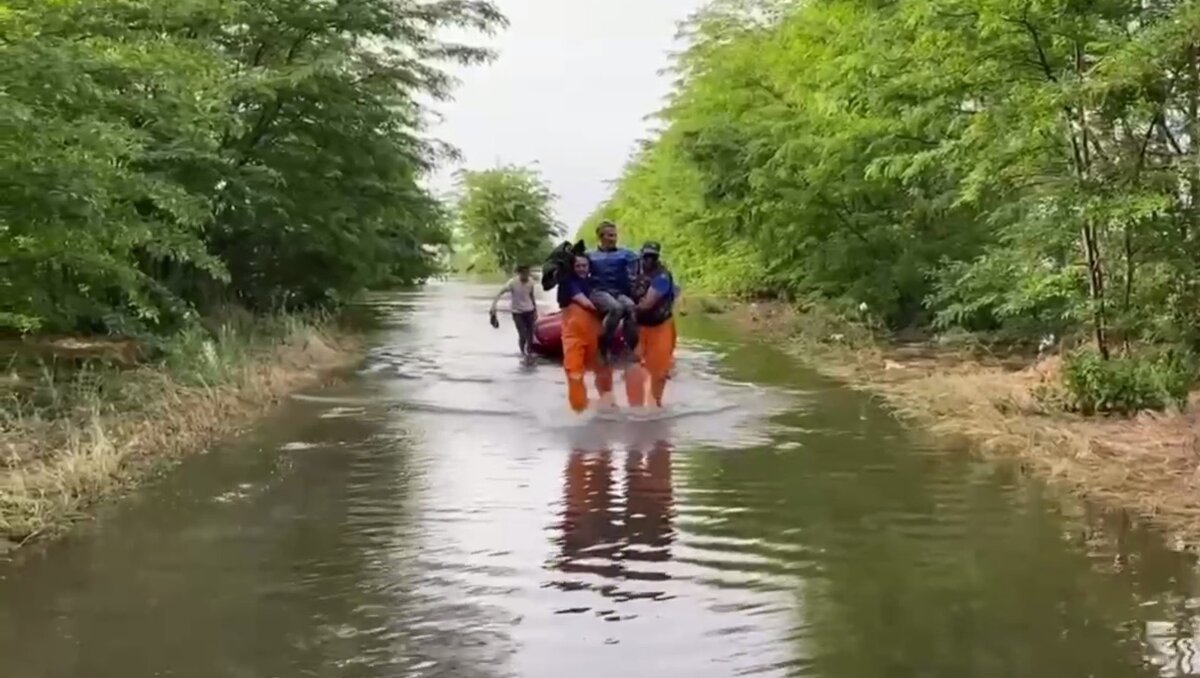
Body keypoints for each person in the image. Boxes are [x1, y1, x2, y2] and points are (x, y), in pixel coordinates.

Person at [558, 254, 642, 413]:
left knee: (603, 369)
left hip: (595, 334)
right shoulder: (569, 283)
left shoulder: (593, 284)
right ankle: (578, 409)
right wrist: (615, 309)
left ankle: (608, 405)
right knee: (574, 372)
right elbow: (586, 303)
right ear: (572, 267)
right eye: (578, 266)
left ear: (590, 267)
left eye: (584, 266)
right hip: (574, 336)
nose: (582, 269)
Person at [630, 242, 678, 408]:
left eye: (653, 256)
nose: (649, 260)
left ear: (657, 257)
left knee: (659, 370)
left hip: (660, 326)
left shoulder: (662, 277)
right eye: (646, 256)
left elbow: (647, 304)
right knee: (634, 365)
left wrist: (626, 307)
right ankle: (635, 405)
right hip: (639, 325)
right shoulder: (633, 272)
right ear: (641, 256)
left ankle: (655, 404)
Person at [586, 221, 640, 364]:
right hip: (599, 292)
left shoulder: (626, 254)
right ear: (600, 237)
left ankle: (630, 348)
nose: (613, 238)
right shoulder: (590, 256)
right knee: (616, 308)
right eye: (610, 235)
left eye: (615, 235)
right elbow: (578, 273)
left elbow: (642, 267)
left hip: (619, 292)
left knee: (630, 306)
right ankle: (603, 347)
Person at [489, 264, 539, 360]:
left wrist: (535, 310)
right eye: (524, 273)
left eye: (527, 273)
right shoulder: (512, 283)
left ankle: (529, 353)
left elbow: (531, 296)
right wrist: (493, 306)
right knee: (522, 334)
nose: (526, 275)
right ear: (519, 273)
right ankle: (522, 353)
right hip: (517, 312)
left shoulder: (531, 282)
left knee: (530, 334)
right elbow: (500, 293)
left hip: (529, 310)